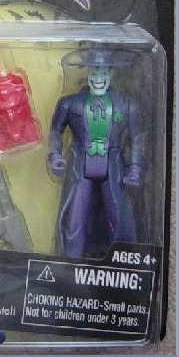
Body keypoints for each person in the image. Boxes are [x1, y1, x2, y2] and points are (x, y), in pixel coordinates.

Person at [47, 48, 142, 258]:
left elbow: (136, 138)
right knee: (74, 218)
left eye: (103, 73)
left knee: (118, 218)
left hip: (113, 165)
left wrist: (134, 166)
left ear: (111, 73)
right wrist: (54, 155)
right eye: (94, 73)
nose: (98, 79)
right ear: (88, 73)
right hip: (80, 164)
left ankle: (122, 262)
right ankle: (70, 262)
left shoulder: (127, 105)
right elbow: (55, 132)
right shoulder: (69, 103)